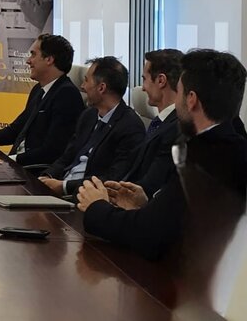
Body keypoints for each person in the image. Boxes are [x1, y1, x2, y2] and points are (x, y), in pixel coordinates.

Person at [78, 49, 247, 259]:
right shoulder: (229, 146)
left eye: (180, 92)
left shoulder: (206, 158)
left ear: (191, 100)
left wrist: (96, 206)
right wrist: (146, 206)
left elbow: (148, 234)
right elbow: (172, 220)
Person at [0, 34, 85, 166]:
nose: (28, 61)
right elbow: (14, 131)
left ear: (49, 59)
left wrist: (6, 160)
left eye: (33, 54)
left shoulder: (67, 95)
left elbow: (52, 151)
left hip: (35, 173)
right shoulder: (38, 90)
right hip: (19, 165)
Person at [37, 57, 145, 196]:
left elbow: (113, 178)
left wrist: (64, 186)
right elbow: (67, 156)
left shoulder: (130, 127)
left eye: (86, 80)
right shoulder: (88, 115)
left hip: (82, 199)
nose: (82, 86)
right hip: (60, 190)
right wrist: (47, 176)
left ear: (101, 88)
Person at [120, 49, 183, 196]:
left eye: (144, 79)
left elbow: (150, 185)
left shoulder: (176, 128)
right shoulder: (159, 123)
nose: (142, 88)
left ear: (161, 80)